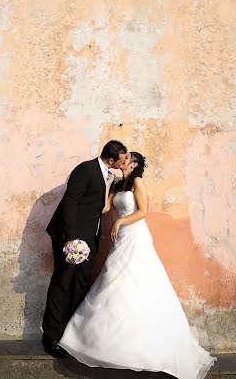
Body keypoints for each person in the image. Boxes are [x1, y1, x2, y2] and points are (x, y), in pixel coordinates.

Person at [59, 152, 216, 379]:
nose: (123, 160)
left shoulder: (138, 183)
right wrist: (107, 187)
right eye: (123, 158)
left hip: (135, 235)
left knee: (136, 279)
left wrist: (121, 220)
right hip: (120, 237)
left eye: (128, 158)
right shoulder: (119, 184)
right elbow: (105, 208)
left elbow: (143, 211)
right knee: (113, 277)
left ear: (134, 164)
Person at [42, 140, 128, 358]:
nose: (123, 162)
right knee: (63, 283)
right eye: (121, 159)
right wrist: (71, 240)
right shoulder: (85, 169)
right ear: (111, 159)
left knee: (80, 284)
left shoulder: (106, 174)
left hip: (89, 240)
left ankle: (70, 337)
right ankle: (51, 337)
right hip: (72, 240)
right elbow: (71, 201)